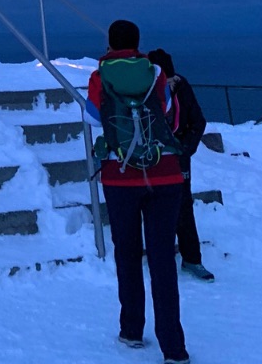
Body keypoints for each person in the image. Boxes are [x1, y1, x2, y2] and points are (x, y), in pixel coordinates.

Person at [87, 20, 189, 364]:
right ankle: (174, 348)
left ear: (109, 44)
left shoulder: (100, 76)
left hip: (120, 176)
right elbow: (171, 121)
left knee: (127, 254)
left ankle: (132, 329)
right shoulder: (157, 73)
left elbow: (92, 117)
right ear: (138, 43)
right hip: (164, 174)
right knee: (162, 260)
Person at [148, 48, 215, 282]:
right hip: (152, 157)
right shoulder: (144, 90)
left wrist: (184, 148)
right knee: (152, 206)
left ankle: (192, 259)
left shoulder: (181, 87)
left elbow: (198, 121)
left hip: (178, 156)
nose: (167, 83)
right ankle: (159, 257)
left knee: (183, 206)